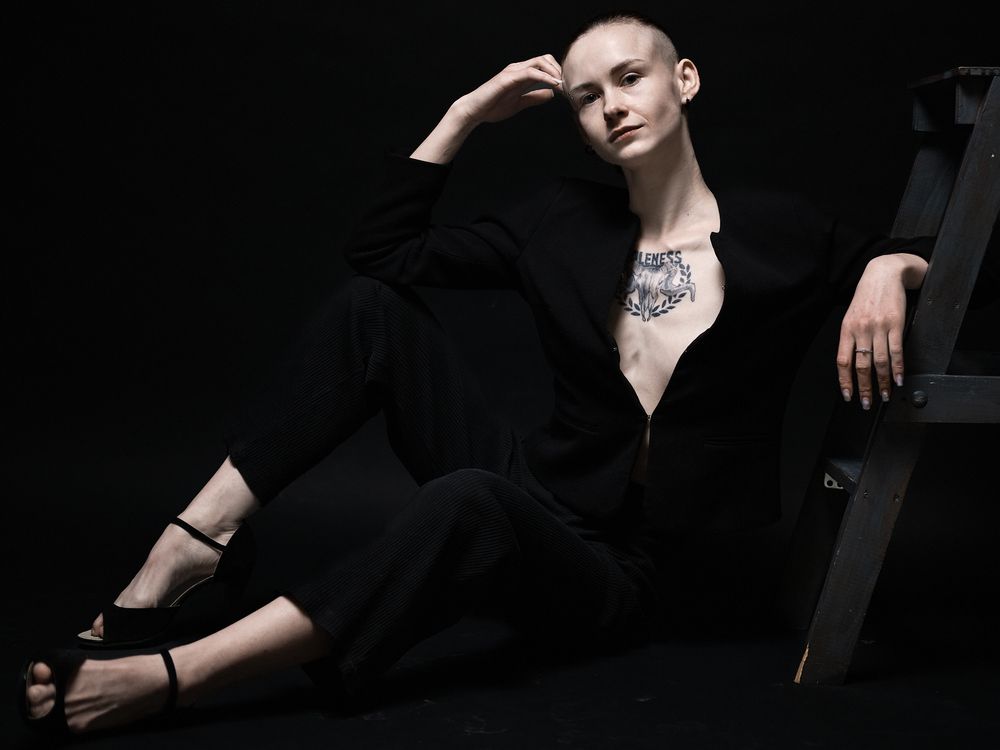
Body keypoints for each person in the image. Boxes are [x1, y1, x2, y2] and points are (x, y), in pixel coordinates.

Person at [20, 11, 941, 736]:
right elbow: (380, 255)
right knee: (370, 313)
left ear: (684, 80)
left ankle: (175, 676)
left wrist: (891, 265)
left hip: (632, 575)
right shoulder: (559, 222)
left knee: (469, 501)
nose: (612, 106)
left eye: (630, 78)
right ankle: (193, 545)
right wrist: (466, 113)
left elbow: (966, 279)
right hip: (542, 490)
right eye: (586, 97)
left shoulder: (782, 232)